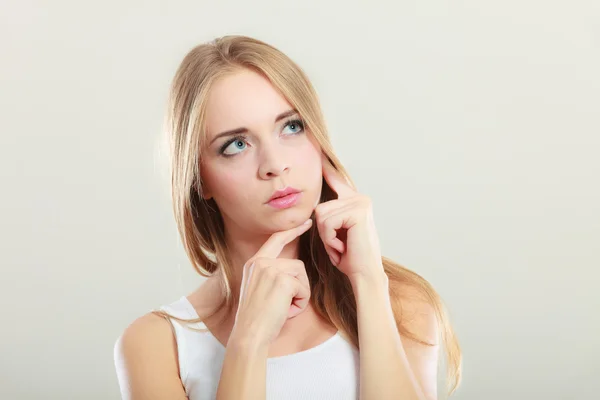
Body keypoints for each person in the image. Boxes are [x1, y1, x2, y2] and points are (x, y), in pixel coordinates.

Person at [114, 35, 462, 400]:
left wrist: (369, 281)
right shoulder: (156, 344)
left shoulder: (401, 303)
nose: (275, 165)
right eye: (236, 145)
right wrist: (247, 342)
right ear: (199, 180)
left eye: (291, 127)